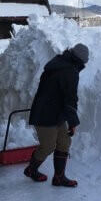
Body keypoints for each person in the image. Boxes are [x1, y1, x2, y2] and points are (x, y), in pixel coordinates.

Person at [24, 43, 89, 187]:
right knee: (47, 146)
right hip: (45, 113)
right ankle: (31, 170)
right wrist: (73, 123)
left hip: (55, 111)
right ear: (80, 60)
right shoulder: (69, 71)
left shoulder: (61, 62)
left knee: (64, 142)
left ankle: (59, 177)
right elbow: (70, 99)